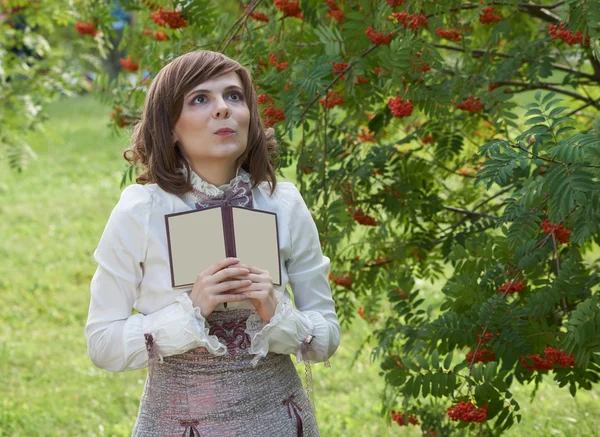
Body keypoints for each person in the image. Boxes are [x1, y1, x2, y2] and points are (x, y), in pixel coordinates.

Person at [84, 50, 340, 436]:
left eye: (234, 96)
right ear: (169, 126)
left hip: (282, 423)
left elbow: (326, 339)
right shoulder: (141, 210)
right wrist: (188, 311)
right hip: (178, 426)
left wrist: (277, 311)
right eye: (200, 99)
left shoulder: (284, 204)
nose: (223, 108)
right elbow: (102, 343)